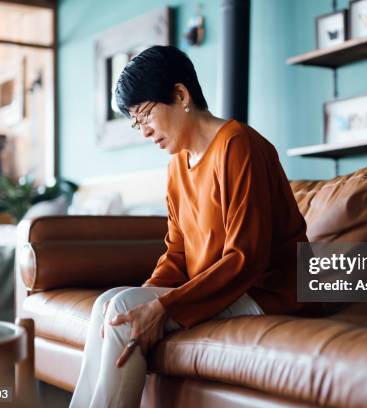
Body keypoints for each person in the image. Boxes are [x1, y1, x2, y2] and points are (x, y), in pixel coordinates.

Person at [69, 45, 309, 408]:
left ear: (180, 95)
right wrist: (147, 299)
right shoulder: (177, 166)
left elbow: (247, 257)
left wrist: (162, 308)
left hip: (267, 292)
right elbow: (177, 253)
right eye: (136, 122)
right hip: (218, 290)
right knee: (111, 305)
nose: (144, 131)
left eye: (145, 115)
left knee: (122, 317)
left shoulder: (239, 145)